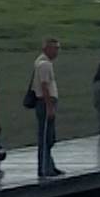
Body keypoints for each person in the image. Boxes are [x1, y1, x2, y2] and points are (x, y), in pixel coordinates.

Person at [32, 37, 63, 179]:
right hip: (45, 103)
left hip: (47, 102)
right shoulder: (44, 64)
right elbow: (44, 86)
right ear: (47, 49)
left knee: (50, 138)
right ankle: (44, 169)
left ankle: (49, 165)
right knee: (45, 137)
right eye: (55, 48)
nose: (57, 52)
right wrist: (49, 107)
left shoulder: (44, 62)